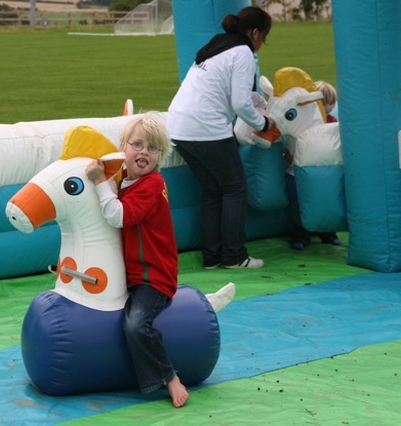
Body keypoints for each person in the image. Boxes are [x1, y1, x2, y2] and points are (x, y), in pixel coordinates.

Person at [85, 112, 188, 408]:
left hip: (153, 278)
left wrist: (99, 183)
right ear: (124, 146)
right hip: (130, 274)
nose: (144, 152)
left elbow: (120, 215)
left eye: (153, 148)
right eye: (138, 144)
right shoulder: (127, 180)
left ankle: (169, 377)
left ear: (160, 157)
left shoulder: (152, 185)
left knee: (135, 325)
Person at [166, 6, 274, 269]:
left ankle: (212, 257)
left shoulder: (217, 45)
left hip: (178, 126)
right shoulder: (243, 52)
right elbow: (238, 103)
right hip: (206, 129)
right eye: (264, 37)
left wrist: (256, 99)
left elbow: (222, 88)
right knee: (235, 188)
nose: (263, 43)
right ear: (255, 32)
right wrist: (263, 122)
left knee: (213, 188)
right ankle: (235, 256)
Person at [284, 80, 342, 250]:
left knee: (326, 201)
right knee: (299, 205)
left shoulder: (331, 121)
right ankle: (300, 235)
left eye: (332, 103)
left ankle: (328, 233)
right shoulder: (303, 123)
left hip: (324, 171)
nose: (329, 107)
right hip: (299, 171)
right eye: (324, 103)